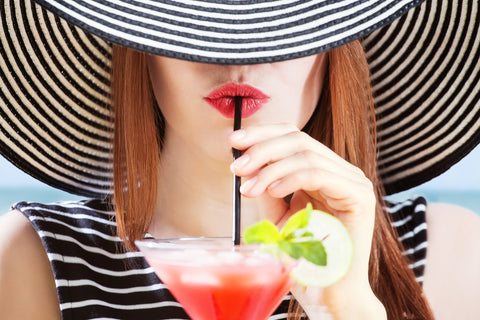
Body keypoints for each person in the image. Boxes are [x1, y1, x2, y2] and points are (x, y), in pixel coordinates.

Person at [0, 0, 479, 319]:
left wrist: (345, 304)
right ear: (140, 48)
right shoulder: (32, 258)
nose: (239, 56)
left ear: (334, 48)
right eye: (196, 13)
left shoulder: (456, 254)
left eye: (283, 13)